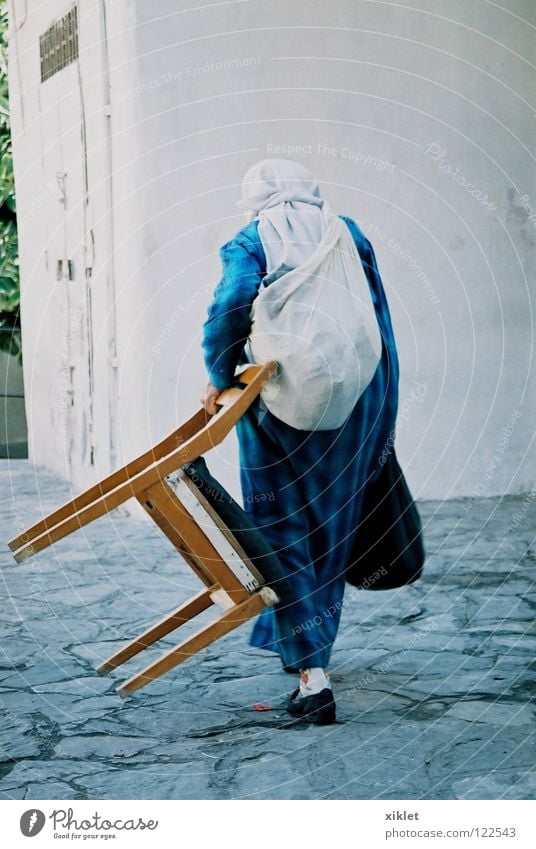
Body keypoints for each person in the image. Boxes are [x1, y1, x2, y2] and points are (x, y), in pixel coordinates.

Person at [201, 159, 399, 724]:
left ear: (257, 199)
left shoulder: (249, 240)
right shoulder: (348, 233)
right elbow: (378, 323)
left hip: (278, 409)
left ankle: (314, 680)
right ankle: (307, 648)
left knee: (281, 533)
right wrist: (382, 406)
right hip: (357, 402)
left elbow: (227, 312)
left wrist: (219, 377)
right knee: (330, 529)